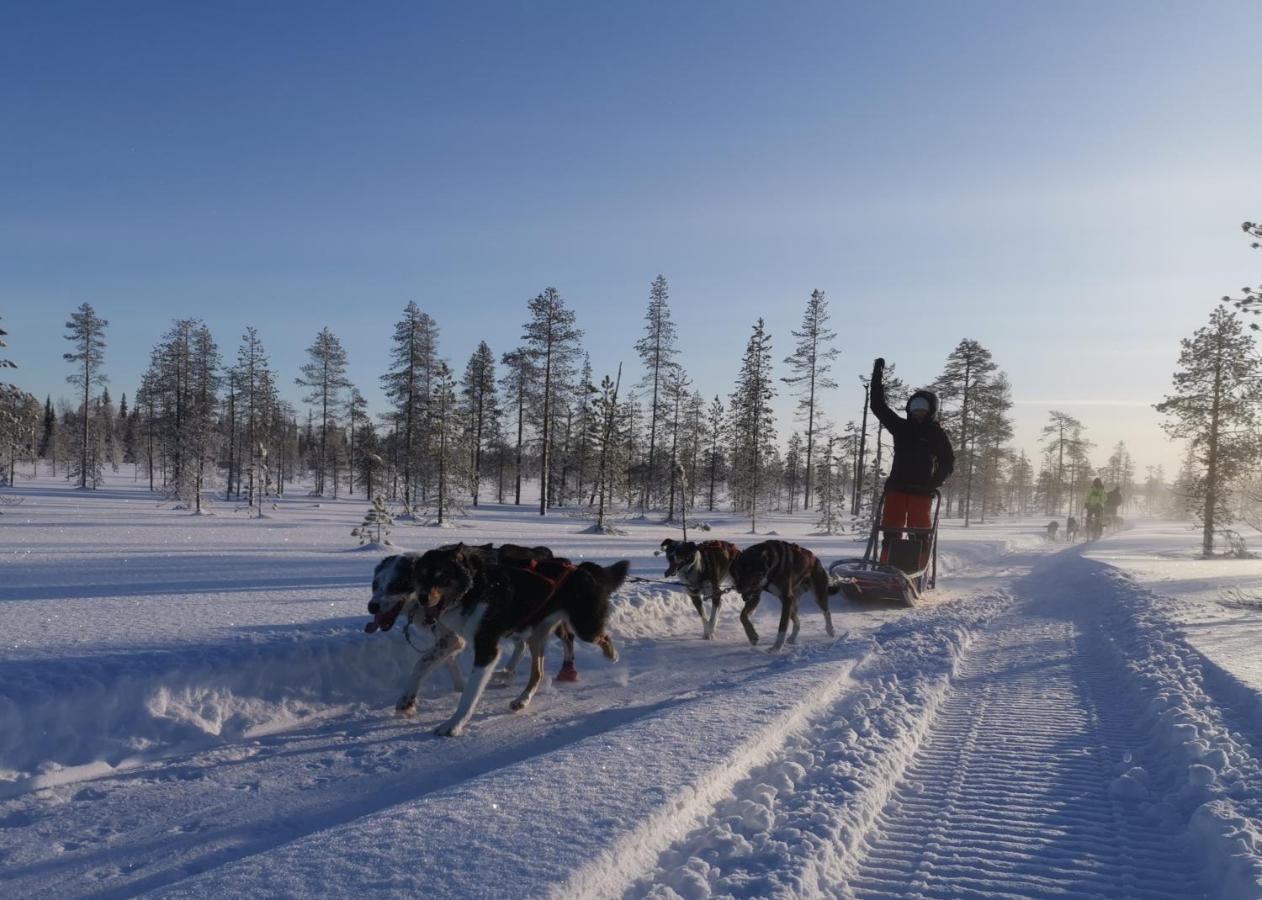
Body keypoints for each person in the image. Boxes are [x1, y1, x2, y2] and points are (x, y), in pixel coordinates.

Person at [870, 357, 955, 567]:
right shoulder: (901, 427)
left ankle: (916, 571)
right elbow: (878, 406)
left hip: (921, 492)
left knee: (919, 534)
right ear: (908, 408)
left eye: (923, 407)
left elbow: (947, 460)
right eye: (914, 406)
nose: (918, 411)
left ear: (931, 410)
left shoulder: (935, 433)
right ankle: (886, 567)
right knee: (891, 530)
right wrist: (877, 376)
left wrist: (934, 483)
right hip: (897, 488)